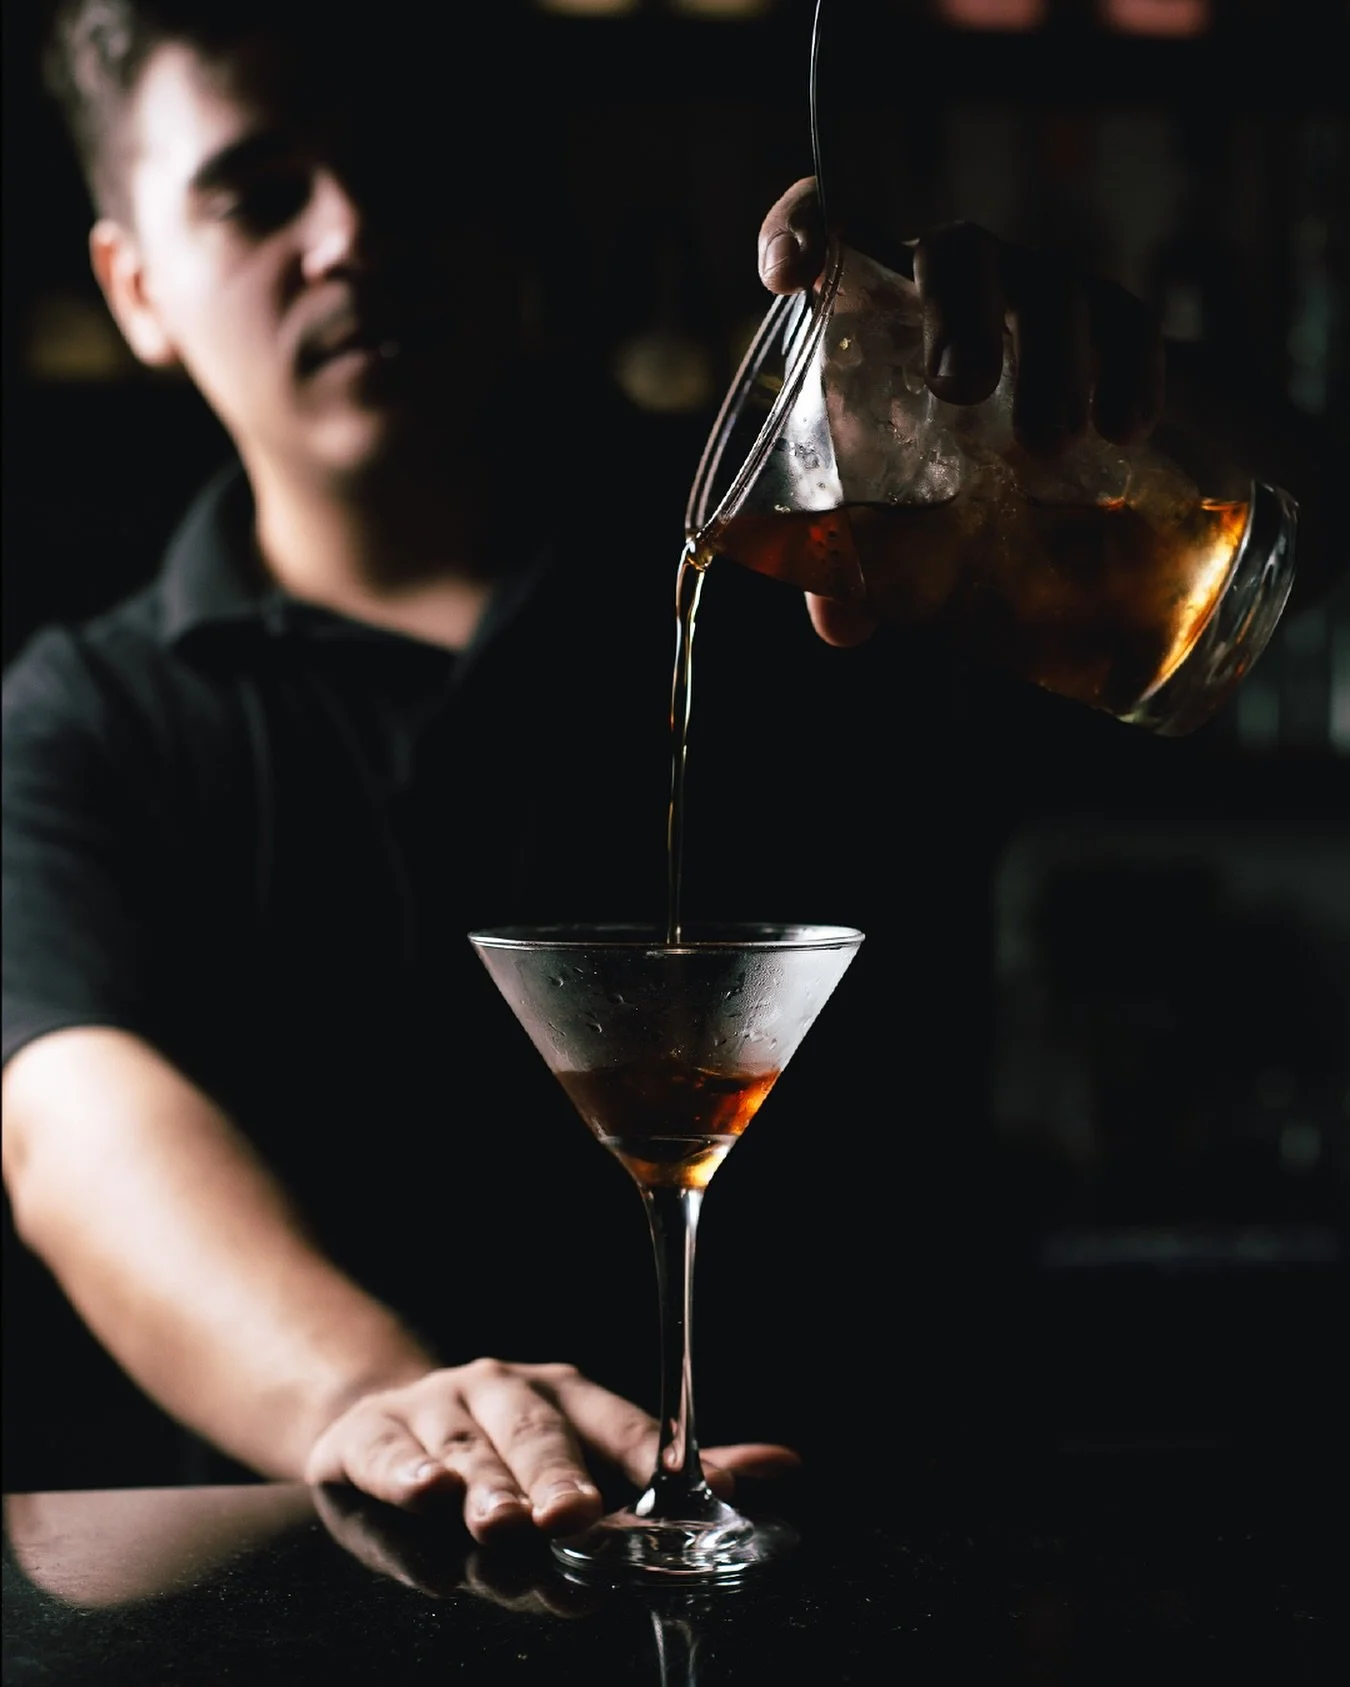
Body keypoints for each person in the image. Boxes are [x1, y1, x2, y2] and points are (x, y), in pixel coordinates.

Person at [3, 0, 1330, 1546]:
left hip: (887, 1567)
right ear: (134, 285)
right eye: (254, 189)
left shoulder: (831, 556)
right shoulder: (85, 718)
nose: (348, 233)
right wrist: (372, 1403)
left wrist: (1123, 409)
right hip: (350, 1592)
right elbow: (70, 1130)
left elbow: (1300, 556)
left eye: (405, 157)